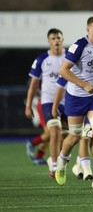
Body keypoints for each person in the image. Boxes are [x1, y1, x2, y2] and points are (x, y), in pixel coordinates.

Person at [55, 16, 93, 189]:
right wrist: (84, 84)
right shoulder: (79, 46)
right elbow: (63, 70)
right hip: (76, 96)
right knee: (74, 137)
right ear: (88, 30)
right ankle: (61, 162)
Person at [25, 28, 67, 176]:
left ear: (62, 40)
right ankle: (54, 166)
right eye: (53, 38)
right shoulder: (42, 59)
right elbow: (33, 85)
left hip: (67, 101)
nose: (56, 41)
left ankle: (61, 160)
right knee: (54, 131)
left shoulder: (69, 58)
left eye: (58, 38)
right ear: (49, 41)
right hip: (48, 101)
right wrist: (29, 106)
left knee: (70, 136)